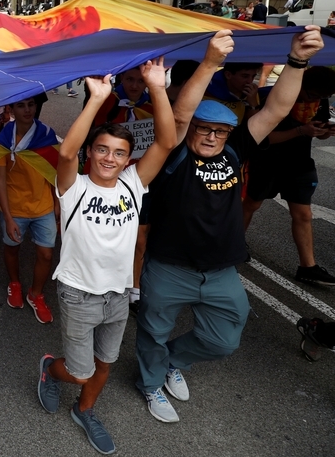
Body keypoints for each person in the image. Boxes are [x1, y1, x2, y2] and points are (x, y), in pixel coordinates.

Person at [135, 26, 324, 425]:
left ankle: (173, 361)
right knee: (152, 331)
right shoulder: (174, 156)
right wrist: (210, 62)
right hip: (170, 266)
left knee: (223, 339)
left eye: (220, 131)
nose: (211, 136)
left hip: (221, 270)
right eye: (204, 129)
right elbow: (182, 114)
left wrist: (297, 61)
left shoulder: (235, 149)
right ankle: (150, 382)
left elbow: (274, 111)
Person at [35, 55, 175, 455]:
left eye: (118, 152)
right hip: (78, 293)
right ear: (91, 153)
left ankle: (86, 411)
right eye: (102, 150)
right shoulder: (74, 187)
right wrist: (96, 98)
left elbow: (166, 142)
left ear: (128, 158)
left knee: (105, 363)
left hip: (118, 293)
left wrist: (157, 88)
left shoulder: (133, 184)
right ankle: (50, 368)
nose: (110, 158)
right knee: (80, 371)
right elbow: (64, 155)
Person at [243, 66, 335, 285]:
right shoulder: (274, 96)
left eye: (322, 97)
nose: (317, 100)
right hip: (267, 161)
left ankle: (307, 267)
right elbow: (261, 138)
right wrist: (301, 131)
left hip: (299, 163)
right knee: (251, 205)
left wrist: (324, 133)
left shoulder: (318, 101)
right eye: (313, 95)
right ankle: (233, 245)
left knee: (304, 214)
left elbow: (317, 133)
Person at [0, 97, 60, 324]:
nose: (27, 109)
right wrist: (8, 216)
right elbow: (0, 181)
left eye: (31, 104)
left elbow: (54, 173)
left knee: (47, 254)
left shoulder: (47, 136)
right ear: (10, 109)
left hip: (44, 207)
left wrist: (58, 203)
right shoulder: (2, 140)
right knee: (12, 248)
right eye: (21, 105)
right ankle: (14, 282)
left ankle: (36, 294)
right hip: (15, 208)